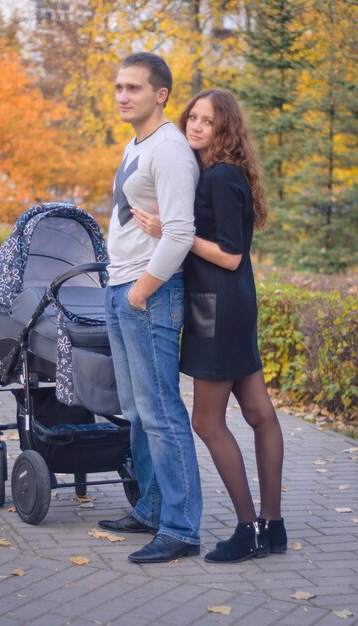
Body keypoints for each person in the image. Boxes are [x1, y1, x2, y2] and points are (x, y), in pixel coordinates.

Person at [132, 89, 286, 563]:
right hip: (231, 303)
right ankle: (272, 527)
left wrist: (171, 233)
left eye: (208, 121)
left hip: (215, 308)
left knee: (205, 420)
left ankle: (248, 530)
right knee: (259, 413)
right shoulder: (223, 172)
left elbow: (230, 254)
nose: (196, 127)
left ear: (226, 130)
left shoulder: (219, 176)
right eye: (192, 117)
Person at [98, 52, 203, 564]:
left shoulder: (171, 151)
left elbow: (180, 232)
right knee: (138, 411)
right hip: (121, 287)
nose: (122, 95)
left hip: (150, 294)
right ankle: (150, 508)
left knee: (162, 412)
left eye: (133, 88)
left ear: (160, 94)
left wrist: (141, 290)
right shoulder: (134, 143)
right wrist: (119, 284)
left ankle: (181, 528)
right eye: (119, 86)